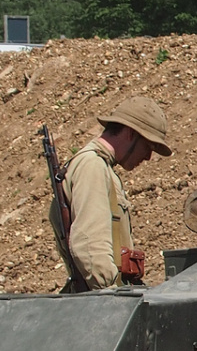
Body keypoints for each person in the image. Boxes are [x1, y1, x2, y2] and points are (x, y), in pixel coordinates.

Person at [60, 96, 171, 291]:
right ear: (130, 133)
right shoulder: (92, 166)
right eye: (148, 146)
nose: (148, 156)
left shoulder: (100, 166)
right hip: (106, 301)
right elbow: (89, 244)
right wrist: (112, 294)